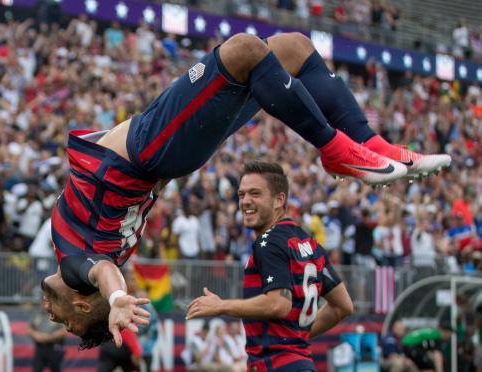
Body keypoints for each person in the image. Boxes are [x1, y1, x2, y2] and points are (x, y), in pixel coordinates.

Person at [42, 32, 450, 347]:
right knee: (245, 50)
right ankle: (336, 150)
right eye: (62, 319)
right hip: (151, 147)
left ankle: (368, 144)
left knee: (291, 50)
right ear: (82, 302)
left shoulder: (79, 244)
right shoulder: (78, 268)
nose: (48, 309)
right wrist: (114, 300)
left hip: (159, 144)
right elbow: (104, 272)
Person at [186, 161, 354, 371]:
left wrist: (222, 306)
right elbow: (343, 306)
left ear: (279, 200)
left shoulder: (270, 241)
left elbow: (278, 304)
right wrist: (296, 338)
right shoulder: (309, 243)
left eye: (255, 194)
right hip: (300, 364)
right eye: (241, 194)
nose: (246, 201)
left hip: (275, 365)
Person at [29, 304, 66, 372]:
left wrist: (50, 337)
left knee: (55, 368)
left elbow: (64, 330)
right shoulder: (37, 314)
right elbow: (29, 329)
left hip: (54, 347)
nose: (45, 305)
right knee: (36, 369)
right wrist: (35, 335)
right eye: (43, 302)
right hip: (40, 347)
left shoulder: (58, 314)